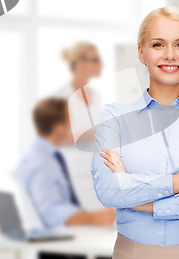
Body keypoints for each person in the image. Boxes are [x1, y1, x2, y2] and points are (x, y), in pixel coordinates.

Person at [91, 7, 179, 258]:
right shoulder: (114, 117)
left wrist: (140, 200)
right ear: (141, 52)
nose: (170, 55)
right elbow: (108, 190)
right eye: (158, 45)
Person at [15, 98, 115, 228]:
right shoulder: (43, 163)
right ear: (58, 128)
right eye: (69, 118)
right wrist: (95, 218)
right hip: (56, 242)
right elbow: (52, 212)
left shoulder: (38, 155)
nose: (71, 123)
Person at [53, 42, 105, 210]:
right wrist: (90, 134)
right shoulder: (62, 97)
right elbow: (56, 140)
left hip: (97, 172)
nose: (101, 64)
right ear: (81, 64)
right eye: (95, 60)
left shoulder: (96, 96)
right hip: (73, 175)